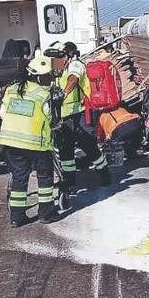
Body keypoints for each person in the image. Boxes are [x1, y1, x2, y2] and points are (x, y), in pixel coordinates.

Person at [0, 55, 62, 226]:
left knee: (19, 177)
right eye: (49, 75)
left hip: (10, 142)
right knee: (45, 177)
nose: (51, 78)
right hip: (35, 144)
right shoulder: (43, 93)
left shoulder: (11, 89)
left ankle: (16, 218)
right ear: (40, 76)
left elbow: (2, 113)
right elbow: (51, 118)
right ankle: (46, 213)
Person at [45, 41, 111, 188]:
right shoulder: (56, 68)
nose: (54, 60)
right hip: (62, 116)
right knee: (65, 151)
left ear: (67, 55)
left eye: (57, 57)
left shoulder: (75, 65)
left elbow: (73, 79)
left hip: (80, 114)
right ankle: (69, 181)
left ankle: (104, 174)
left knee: (89, 147)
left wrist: (63, 94)